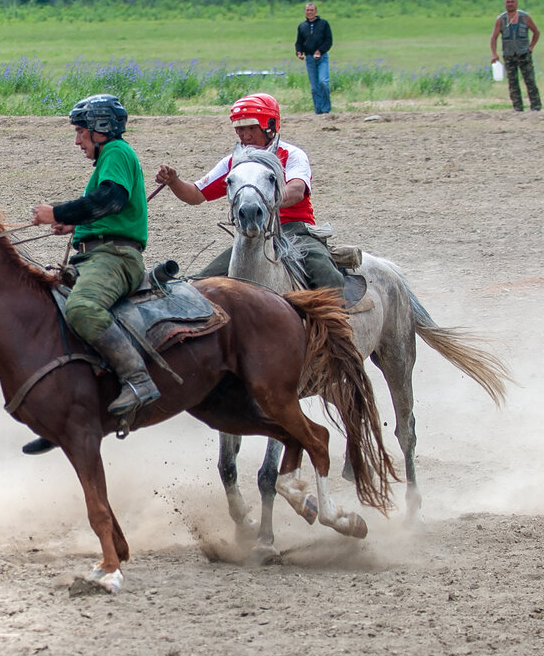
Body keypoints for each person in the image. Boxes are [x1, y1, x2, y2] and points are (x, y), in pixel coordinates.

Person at [30, 94, 160, 419]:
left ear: (100, 129)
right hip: (97, 255)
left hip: (115, 258)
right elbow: (106, 209)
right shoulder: (108, 159)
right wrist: (73, 224)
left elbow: (111, 199)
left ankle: (137, 379)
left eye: (80, 132)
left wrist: (57, 212)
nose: (77, 141)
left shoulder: (116, 151)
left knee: (83, 308)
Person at [155, 92, 344, 294]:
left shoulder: (292, 155)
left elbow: (296, 191)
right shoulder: (233, 163)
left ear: (270, 126)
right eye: (240, 129)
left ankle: (335, 324)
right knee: (202, 285)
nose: (245, 135)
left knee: (329, 279)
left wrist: (260, 202)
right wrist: (173, 181)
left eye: (251, 128)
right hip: (248, 236)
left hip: (295, 231)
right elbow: (194, 195)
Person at [490, 0, 542, 112]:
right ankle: (517, 107)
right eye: (508, 2)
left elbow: (536, 32)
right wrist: (494, 54)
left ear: (517, 3)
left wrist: (531, 47)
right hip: (509, 55)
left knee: (530, 81)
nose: (510, 4)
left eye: (512, 2)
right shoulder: (501, 20)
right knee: (513, 83)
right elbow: (493, 37)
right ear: (504, 4)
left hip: (524, 54)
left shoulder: (525, 17)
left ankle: (536, 106)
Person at [295, 2, 333, 115]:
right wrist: (299, 52)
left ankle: (326, 109)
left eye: (311, 10)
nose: (309, 12)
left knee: (323, 82)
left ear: (316, 11)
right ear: (305, 12)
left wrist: (320, 51)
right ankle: (318, 110)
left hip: (322, 58)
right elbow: (299, 43)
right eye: (307, 10)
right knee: (314, 87)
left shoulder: (323, 24)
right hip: (310, 58)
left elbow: (328, 40)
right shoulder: (302, 26)